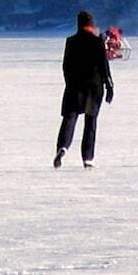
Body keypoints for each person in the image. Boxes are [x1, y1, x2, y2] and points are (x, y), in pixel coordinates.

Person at [55, 10, 115, 168]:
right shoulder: (97, 42)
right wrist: (109, 86)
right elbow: (104, 66)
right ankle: (88, 158)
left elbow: (65, 66)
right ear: (92, 24)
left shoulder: (71, 41)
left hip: (74, 86)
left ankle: (62, 147)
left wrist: (69, 83)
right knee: (90, 121)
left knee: (70, 118)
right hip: (93, 88)